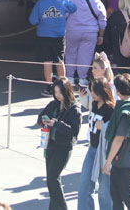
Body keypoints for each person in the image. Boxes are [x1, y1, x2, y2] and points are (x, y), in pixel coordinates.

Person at [39, 76, 81, 210]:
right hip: (51, 143)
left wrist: (57, 124)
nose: (57, 95)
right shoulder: (53, 104)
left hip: (64, 146)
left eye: (60, 92)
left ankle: (62, 207)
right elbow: (41, 116)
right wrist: (43, 120)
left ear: (66, 91)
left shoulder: (74, 108)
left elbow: (74, 131)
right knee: (51, 179)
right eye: (55, 92)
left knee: (52, 178)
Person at [103, 74, 130, 210]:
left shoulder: (125, 110)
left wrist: (108, 161)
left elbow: (119, 138)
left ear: (117, 91)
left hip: (122, 159)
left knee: (127, 194)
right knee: (116, 194)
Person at [30, 0, 78, 93]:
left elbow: (32, 20)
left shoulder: (40, 3)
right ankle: (63, 86)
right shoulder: (62, 2)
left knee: (47, 62)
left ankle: (49, 87)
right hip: (59, 36)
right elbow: (73, 8)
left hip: (44, 36)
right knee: (60, 61)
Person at [78, 76, 115, 210]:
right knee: (84, 185)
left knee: (104, 191)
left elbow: (115, 133)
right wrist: (82, 98)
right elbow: (86, 106)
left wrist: (104, 127)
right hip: (92, 149)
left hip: (104, 152)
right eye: (91, 90)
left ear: (102, 91)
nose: (92, 94)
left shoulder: (110, 109)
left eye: (94, 91)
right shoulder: (94, 104)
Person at [66, 0, 107, 90]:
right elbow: (102, 22)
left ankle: (69, 77)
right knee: (86, 55)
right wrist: (101, 36)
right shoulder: (98, 3)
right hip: (90, 33)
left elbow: (65, 13)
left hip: (73, 31)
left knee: (70, 53)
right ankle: (82, 78)